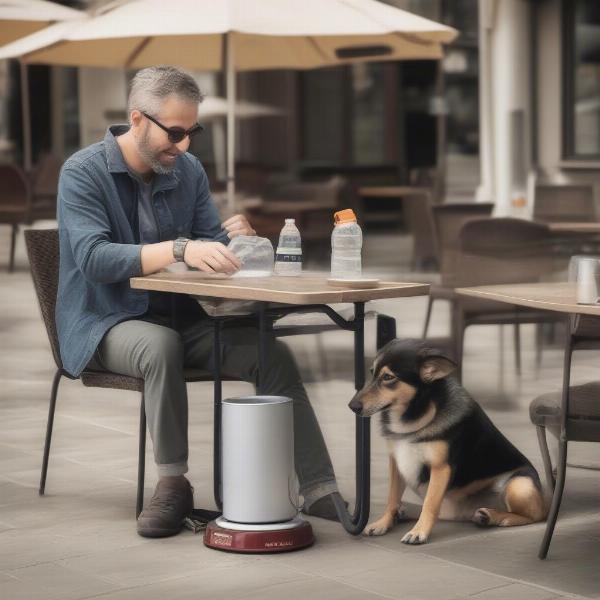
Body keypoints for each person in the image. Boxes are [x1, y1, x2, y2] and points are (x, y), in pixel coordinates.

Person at [56, 66, 340, 537]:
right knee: (158, 345)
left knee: (273, 353)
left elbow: (214, 248)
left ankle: (319, 487)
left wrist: (243, 243)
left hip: (182, 316)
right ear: (137, 118)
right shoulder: (82, 172)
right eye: (175, 132)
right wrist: (181, 248)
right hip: (102, 321)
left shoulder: (186, 170)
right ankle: (173, 483)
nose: (184, 145)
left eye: (192, 132)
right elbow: (93, 258)